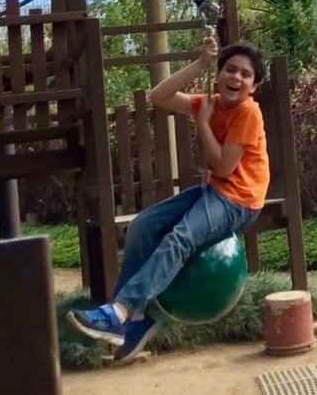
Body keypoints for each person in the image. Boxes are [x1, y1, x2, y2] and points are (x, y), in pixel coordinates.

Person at [68, 29, 270, 363]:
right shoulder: (212, 103)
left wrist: (203, 125)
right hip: (215, 192)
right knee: (142, 226)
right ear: (219, 74)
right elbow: (159, 96)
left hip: (241, 201)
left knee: (180, 238)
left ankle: (120, 310)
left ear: (253, 86)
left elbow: (223, 167)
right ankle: (131, 325)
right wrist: (199, 62)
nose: (236, 77)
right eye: (229, 69)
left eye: (245, 74)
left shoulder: (248, 113)